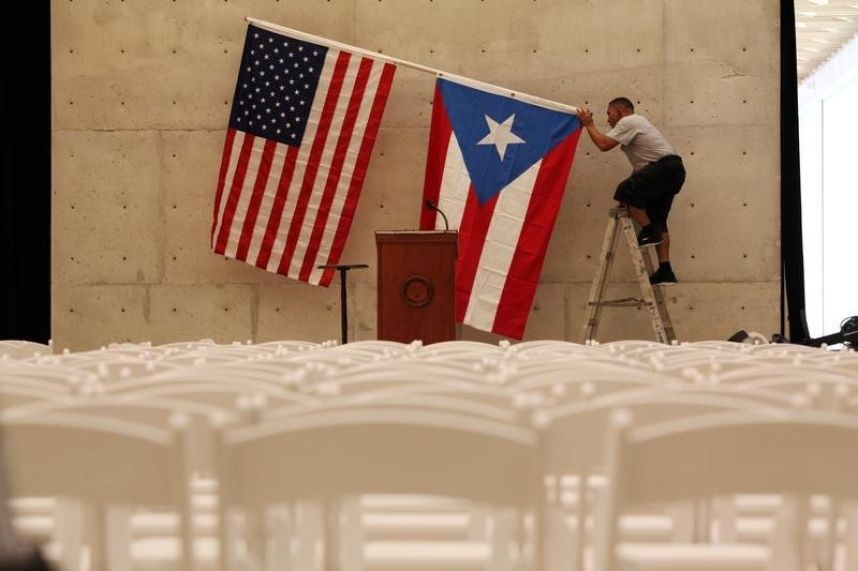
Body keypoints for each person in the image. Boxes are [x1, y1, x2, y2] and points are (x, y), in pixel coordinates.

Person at [577, 97, 686, 285]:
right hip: (671, 171)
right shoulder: (638, 126)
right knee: (658, 218)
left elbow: (604, 145)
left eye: (610, 114)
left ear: (621, 112)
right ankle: (665, 270)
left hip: (665, 169)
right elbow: (641, 170)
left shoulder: (629, 121)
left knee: (625, 190)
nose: (608, 119)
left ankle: (650, 231)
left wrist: (589, 124)